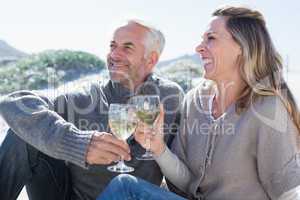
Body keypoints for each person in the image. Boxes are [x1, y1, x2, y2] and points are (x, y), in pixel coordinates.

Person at [97, 6, 300, 200]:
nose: (199, 48)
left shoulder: (267, 109)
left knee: (124, 187)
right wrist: (157, 147)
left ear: (242, 47)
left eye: (211, 38)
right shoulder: (194, 100)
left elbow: (288, 193)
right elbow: (188, 183)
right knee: (124, 185)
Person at [0, 20, 184, 200]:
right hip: (66, 195)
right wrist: (78, 144)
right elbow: (14, 102)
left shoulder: (170, 96)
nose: (114, 55)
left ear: (151, 59)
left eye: (127, 48)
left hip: (133, 194)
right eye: (113, 46)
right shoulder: (87, 94)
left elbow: (179, 166)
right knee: (21, 133)